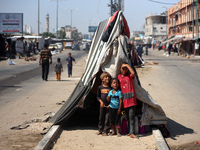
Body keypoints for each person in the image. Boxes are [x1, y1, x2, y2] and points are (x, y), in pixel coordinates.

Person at [118, 63, 138, 139]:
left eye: (125, 69)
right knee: (127, 117)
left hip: (132, 100)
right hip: (124, 101)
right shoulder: (119, 77)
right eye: (123, 68)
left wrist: (127, 65)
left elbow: (133, 73)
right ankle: (130, 132)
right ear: (120, 69)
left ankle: (132, 132)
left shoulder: (129, 76)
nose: (124, 70)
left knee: (131, 116)